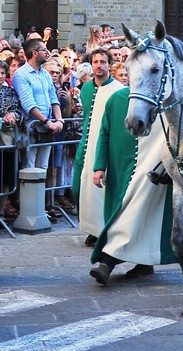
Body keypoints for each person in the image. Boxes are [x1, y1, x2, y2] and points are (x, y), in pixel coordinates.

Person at [87, 85, 176, 285]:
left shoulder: (165, 99)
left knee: (135, 213)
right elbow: (105, 132)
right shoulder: (116, 98)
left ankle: (107, 263)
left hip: (153, 168)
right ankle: (144, 263)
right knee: (120, 213)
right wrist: (99, 166)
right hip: (120, 169)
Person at [72, 48, 123, 245]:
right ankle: (91, 226)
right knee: (78, 189)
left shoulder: (118, 90)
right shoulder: (85, 89)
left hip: (105, 148)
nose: (99, 65)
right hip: (84, 145)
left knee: (100, 192)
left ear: (110, 65)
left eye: (103, 62)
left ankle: (100, 231)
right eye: (95, 62)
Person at [12, 39, 64, 171]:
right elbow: (28, 104)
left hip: (47, 127)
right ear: (35, 53)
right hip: (31, 127)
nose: (47, 52)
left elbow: (53, 98)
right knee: (30, 167)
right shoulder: (21, 74)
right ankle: (28, 193)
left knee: (43, 166)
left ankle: (41, 193)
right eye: (44, 50)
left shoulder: (45, 74)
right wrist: (47, 121)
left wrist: (59, 119)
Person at [0, 61, 23, 218]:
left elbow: (18, 111)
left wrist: (13, 115)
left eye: (2, 72)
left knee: (6, 174)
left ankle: (2, 209)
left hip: (6, 139)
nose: (0, 75)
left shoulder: (11, 92)